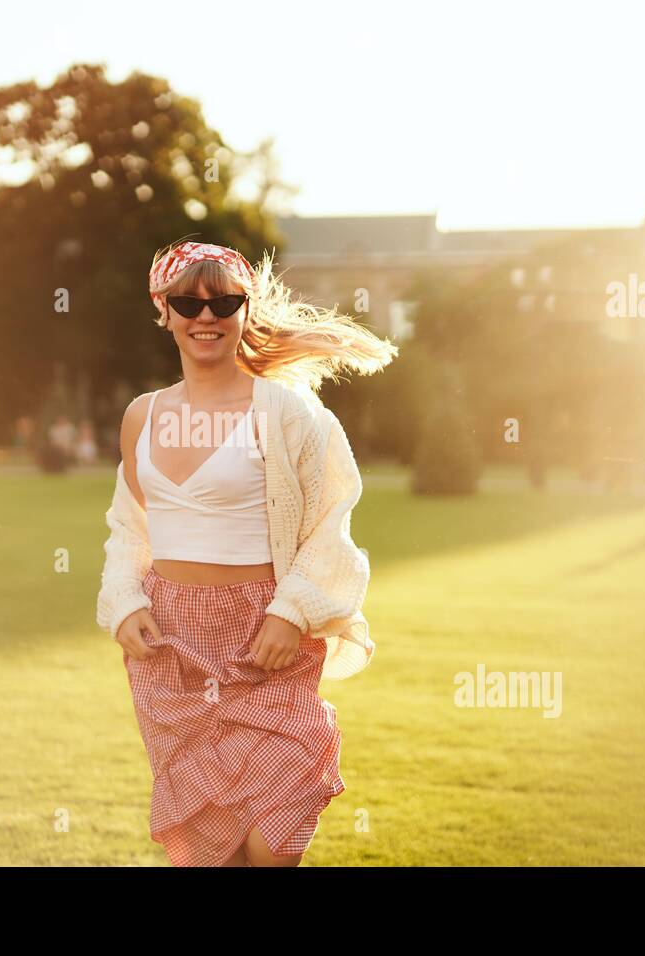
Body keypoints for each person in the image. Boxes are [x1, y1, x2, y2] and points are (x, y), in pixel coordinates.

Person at [96, 239, 398, 867]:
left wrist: (292, 612)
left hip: (265, 639)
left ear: (244, 310)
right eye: (188, 302)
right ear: (165, 312)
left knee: (272, 842)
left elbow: (330, 519)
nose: (205, 316)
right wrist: (124, 602)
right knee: (212, 853)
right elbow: (130, 526)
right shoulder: (141, 416)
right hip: (171, 647)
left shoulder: (288, 413)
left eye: (223, 302)